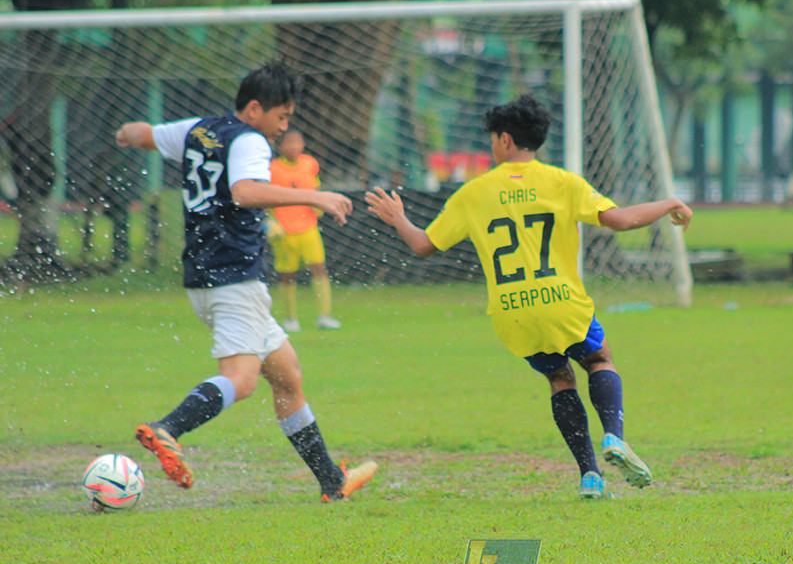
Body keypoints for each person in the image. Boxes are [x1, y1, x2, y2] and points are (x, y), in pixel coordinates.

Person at [365, 94, 692, 499]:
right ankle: (613, 437)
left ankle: (590, 475)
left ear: (504, 140)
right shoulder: (562, 182)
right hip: (562, 302)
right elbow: (621, 221)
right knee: (599, 359)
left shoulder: (474, 192)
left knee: (559, 378)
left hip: (512, 312)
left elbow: (423, 246)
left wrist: (398, 218)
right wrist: (671, 203)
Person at [115, 62, 376, 502]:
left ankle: (331, 480)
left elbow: (140, 134)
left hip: (204, 276)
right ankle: (167, 428)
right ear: (255, 109)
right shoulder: (250, 139)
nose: (284, 127)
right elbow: (246, 192)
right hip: (234, 277)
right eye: (281, 116)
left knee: (287, 375)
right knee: (243, 378)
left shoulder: (198, 129)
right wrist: (314, 195)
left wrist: (126, 132)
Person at [267, 128, 341, 332]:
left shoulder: (310, 164)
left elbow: (314, 188)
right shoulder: (273, 168)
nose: (293, 147)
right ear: (280, 146)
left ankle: (325, 316)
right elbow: (265, 195)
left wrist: (319, 205)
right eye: (289, 143)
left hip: (308, 227)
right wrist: (270, 220)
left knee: (319, 268)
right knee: (287, 274)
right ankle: (290, 318)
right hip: (283, 229)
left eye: (297, 142)